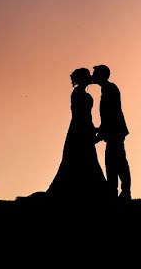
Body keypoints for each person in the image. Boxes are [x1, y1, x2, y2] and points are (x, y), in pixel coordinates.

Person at [46, 68, 107, 200]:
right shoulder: (79, 94)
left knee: (84, 159)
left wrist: (93, 129)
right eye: (87, 76)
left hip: (79, 129)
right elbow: (82, 116)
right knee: (84, 159)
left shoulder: (79, 93)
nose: (91, 77)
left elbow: (85, 116)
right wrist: (93, 130)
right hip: (80, 131)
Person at [92, 64, 131, 200]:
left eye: (95, 74)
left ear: (101, 75)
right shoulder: (107, 89)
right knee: (114, 161)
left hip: (115, 131)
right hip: (114, 131)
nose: (93, 76)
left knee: (117, 162)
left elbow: (111, 114)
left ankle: (124, 191)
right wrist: (100, 130)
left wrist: (100, 134)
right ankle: (116, 192)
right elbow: (107, 116)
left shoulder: (110, 89)